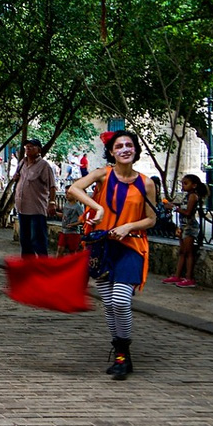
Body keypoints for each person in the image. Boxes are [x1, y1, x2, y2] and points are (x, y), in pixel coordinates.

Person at [69, 130, 157, 380]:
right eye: (119, 146)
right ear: (112, 152)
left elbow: (151, 219)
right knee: (108, 302)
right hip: (102, 247)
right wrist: (96, 207)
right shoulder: (103, 175)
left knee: (120, 300)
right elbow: (74, 189)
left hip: (132, 247)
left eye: (129, 145)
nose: (125, 149)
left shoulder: (145, 182)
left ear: (135, 150)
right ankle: (121, 355)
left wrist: (129, 226)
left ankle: (123, 349)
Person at [163, 174, 208, 288]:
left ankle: (189, 277)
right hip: (183, 226)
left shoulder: (193, 196)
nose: (183, 185)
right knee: (182, 252)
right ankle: (177, 275)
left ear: (194, 185)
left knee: (188, 252)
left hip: (189, 226)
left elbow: (188, 212)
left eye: (186, 183)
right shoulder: (187, 196)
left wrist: (174, 208)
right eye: (182, 183)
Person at [14, 138, 56, 256]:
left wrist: (52, 202)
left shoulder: (44, 166)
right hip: (22, 208)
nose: (28, 148)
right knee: (25, 241)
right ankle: (28, 268)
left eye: (32, 146)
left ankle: (42, 267)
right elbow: (17, 178)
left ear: (39, 150)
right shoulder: (22, 162)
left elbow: (52, 186)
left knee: (37, 240)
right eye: (27, 147)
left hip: (36, 209)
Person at [56, 184, 85, 257]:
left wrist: (73, 224)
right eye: (66, 193)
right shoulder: (66, 204)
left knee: (72, 252)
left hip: (73, 232)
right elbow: (64, 215)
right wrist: (55, 213)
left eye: (69, 193)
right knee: (59, 249)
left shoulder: (78, 207)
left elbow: (83, 219)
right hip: (64, 230)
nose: (66, 195)